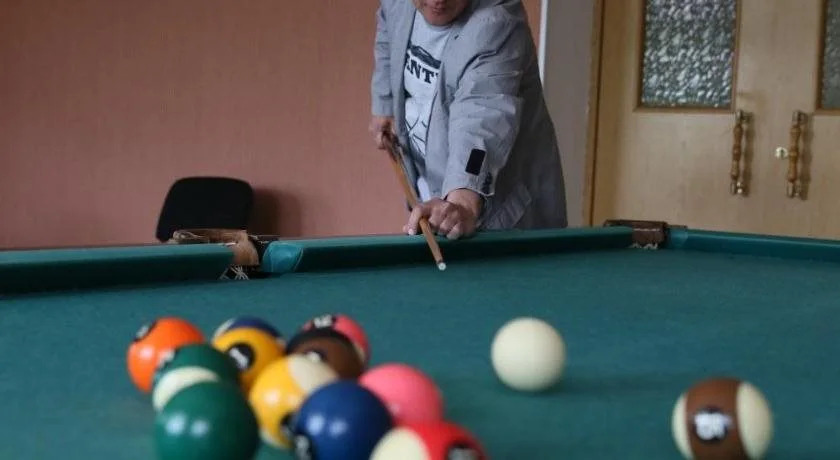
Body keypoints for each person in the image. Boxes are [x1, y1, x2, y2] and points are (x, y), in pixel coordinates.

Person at [369, 0, 567, 240]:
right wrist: (385, 104)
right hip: (436, 194)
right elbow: (389, 28)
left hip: (506, 220)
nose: (438, 0)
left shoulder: (497, 23)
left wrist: (463, 198)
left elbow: (482, 120)